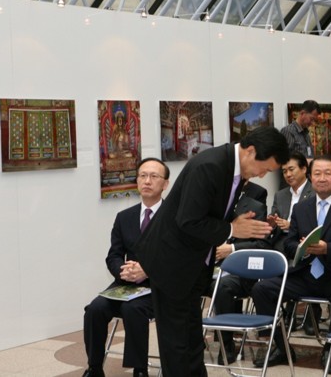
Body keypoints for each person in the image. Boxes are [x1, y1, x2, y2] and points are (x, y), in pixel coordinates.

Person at [135, 126, 289, 377]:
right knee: (177, 344)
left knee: (192, 338)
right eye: (265, 168)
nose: (262, 175)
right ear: (251, 151)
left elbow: (211, 212)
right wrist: (232, 228)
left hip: (194, 263)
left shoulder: (232, 168)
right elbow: (189, 220)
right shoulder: (210, 166)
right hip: (171, 263)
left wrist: (235, 222)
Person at [251, 155, 331, 374]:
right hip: (304, 273)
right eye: (317, 173)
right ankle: (281, 346)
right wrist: (301, 249)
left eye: (327, 173)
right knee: (261, 289)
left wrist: (328, 248)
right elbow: (289, 243)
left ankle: (330, 349)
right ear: (311, 177)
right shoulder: (301, 208)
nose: (322, 178)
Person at [82, 157, 170, 377]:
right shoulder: (124, 217)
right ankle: (94, 368)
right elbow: (113, 255)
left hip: (159, 286)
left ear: (165, 184)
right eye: (143, 176)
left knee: (133, 309)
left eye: (154, 176)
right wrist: (123, 270)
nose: (147, 181)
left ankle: (139, 370)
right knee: (94, 309)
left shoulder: (173, 217)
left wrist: (146, 270)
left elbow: (178, 258)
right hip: (126, 284)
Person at [211, 180, 270, 365]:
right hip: (209, 267)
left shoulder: (254, 207)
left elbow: (261, 244)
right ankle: (191, 340)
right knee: (184, 281)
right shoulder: (209, 205)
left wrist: (232, 249)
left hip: (239, 271)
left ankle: (227, 344)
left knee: (222, 286)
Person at [268, 152, 314, 253]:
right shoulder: (280, 195)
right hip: (280, 243)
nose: (288, 174)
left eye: (291, 169)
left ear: (304, 169)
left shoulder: (315, 193)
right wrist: (272, 224)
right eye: (284, 171)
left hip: (302, 242)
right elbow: (273, 222)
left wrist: (291, 226)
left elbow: (316, 225)